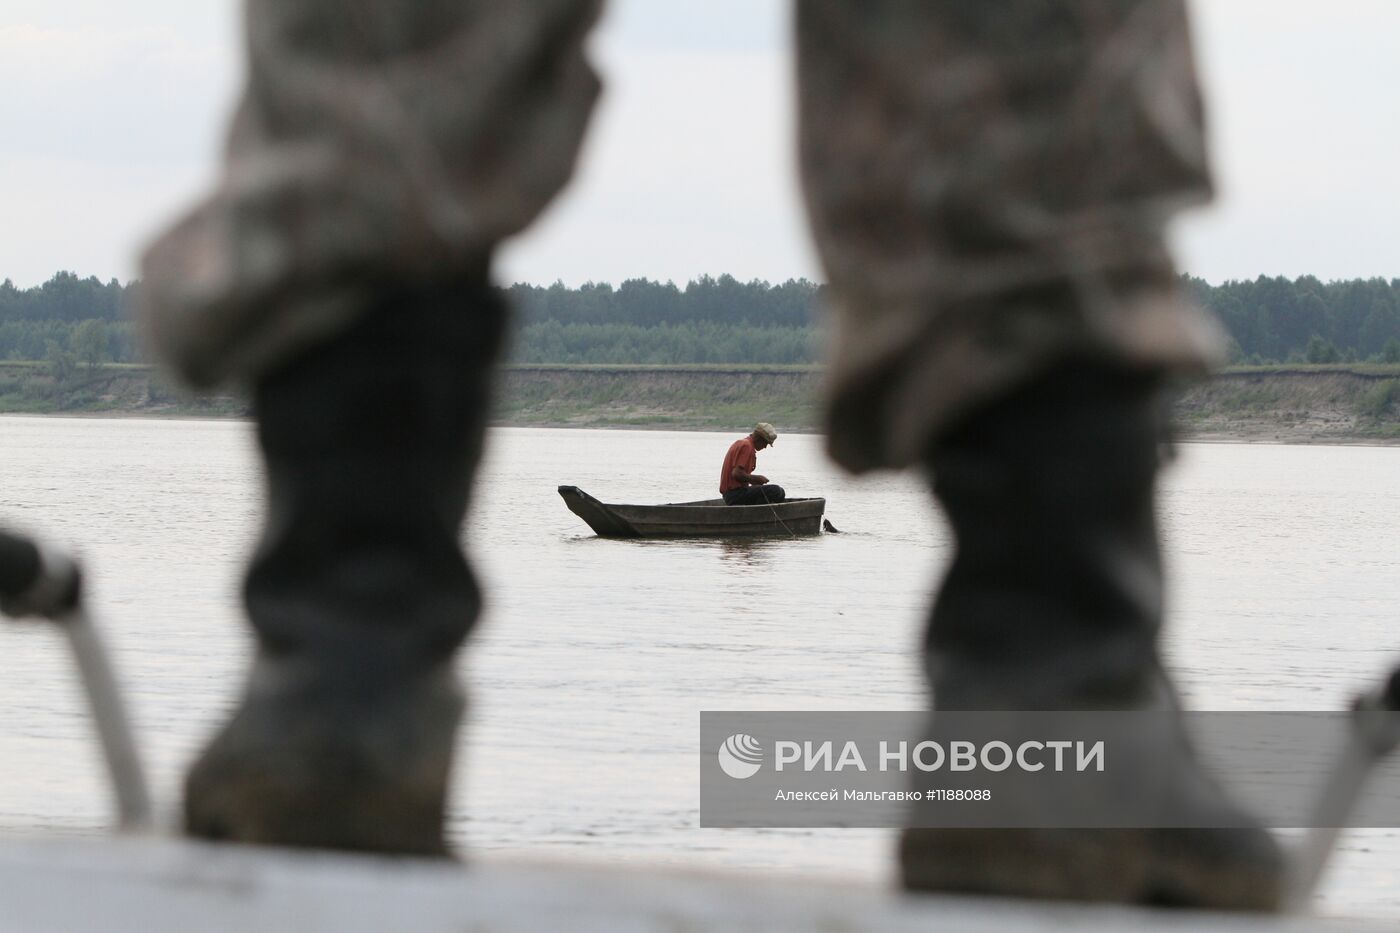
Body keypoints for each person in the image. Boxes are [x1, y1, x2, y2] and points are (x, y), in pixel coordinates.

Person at [137, 0, 1282, 911]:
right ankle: (1053, 720)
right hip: (834, 479)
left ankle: (340, 697)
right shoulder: (740, 459)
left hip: (699, 494)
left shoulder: (743, 460)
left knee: (394, 41)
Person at [720, 423, 785, 505]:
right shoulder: (746, 446)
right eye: (765, 443)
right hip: (734, 495)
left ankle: (757, 510)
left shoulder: (743, 443)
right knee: (776, 491)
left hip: (732, 494)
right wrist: (756, 479)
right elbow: (736, 474)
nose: (765, 447)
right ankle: (759, 513)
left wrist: (754, 483)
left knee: (781, 492)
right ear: (759, 438)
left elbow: (739, 476)